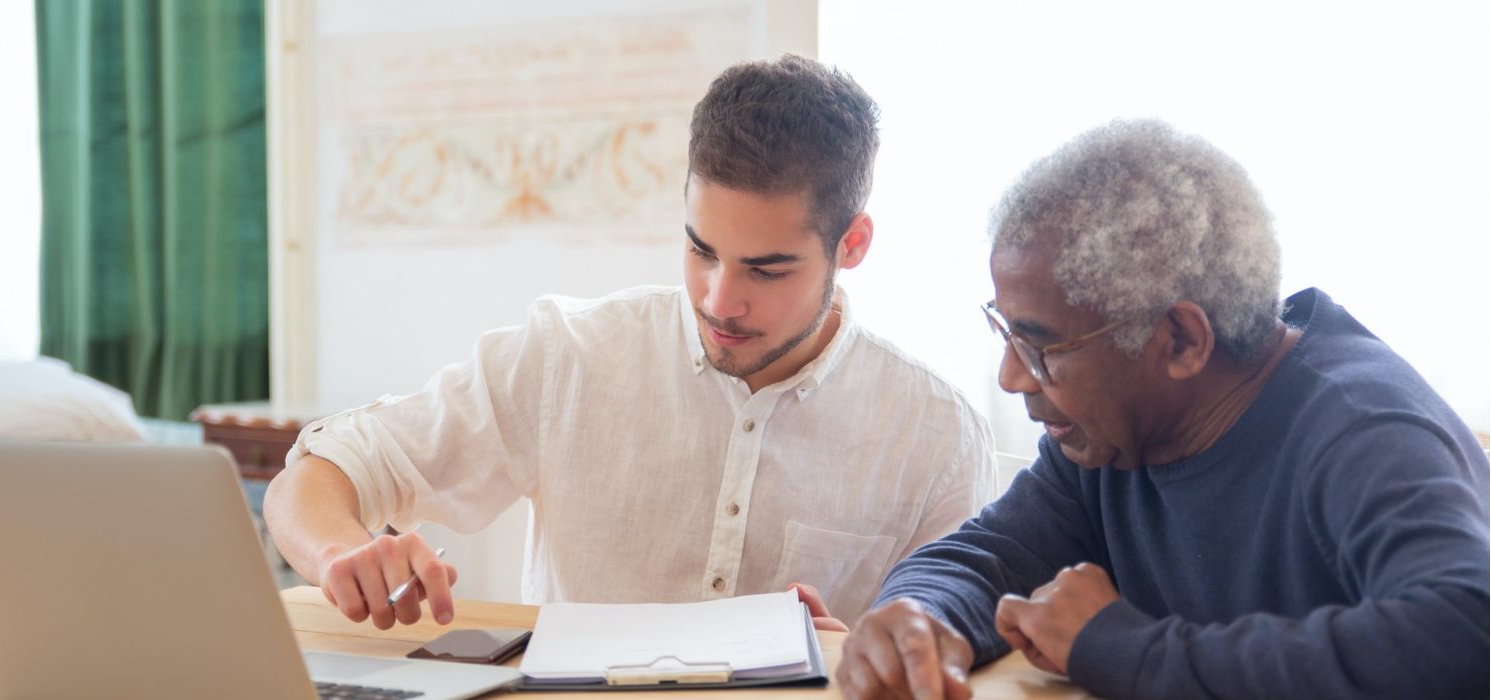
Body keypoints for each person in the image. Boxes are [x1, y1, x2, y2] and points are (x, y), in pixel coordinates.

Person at [263, 55, 996, 634]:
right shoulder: (569, 356)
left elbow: (947, 644)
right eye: (700, 249)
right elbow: (317, 472)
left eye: (766, 269)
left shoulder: (935, 434)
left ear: (854, 243)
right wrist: (342, 554)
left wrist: (857, 660)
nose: (719, 300)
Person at [835, 120, 1489, 699]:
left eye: (1041, 347)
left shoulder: (1363, 432)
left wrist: (1120, 647)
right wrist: (919, 619)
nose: (1012, 378)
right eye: (1006, 334)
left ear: (1181, 340)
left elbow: (1466, 632)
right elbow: (984, 558)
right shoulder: (1108, 439)